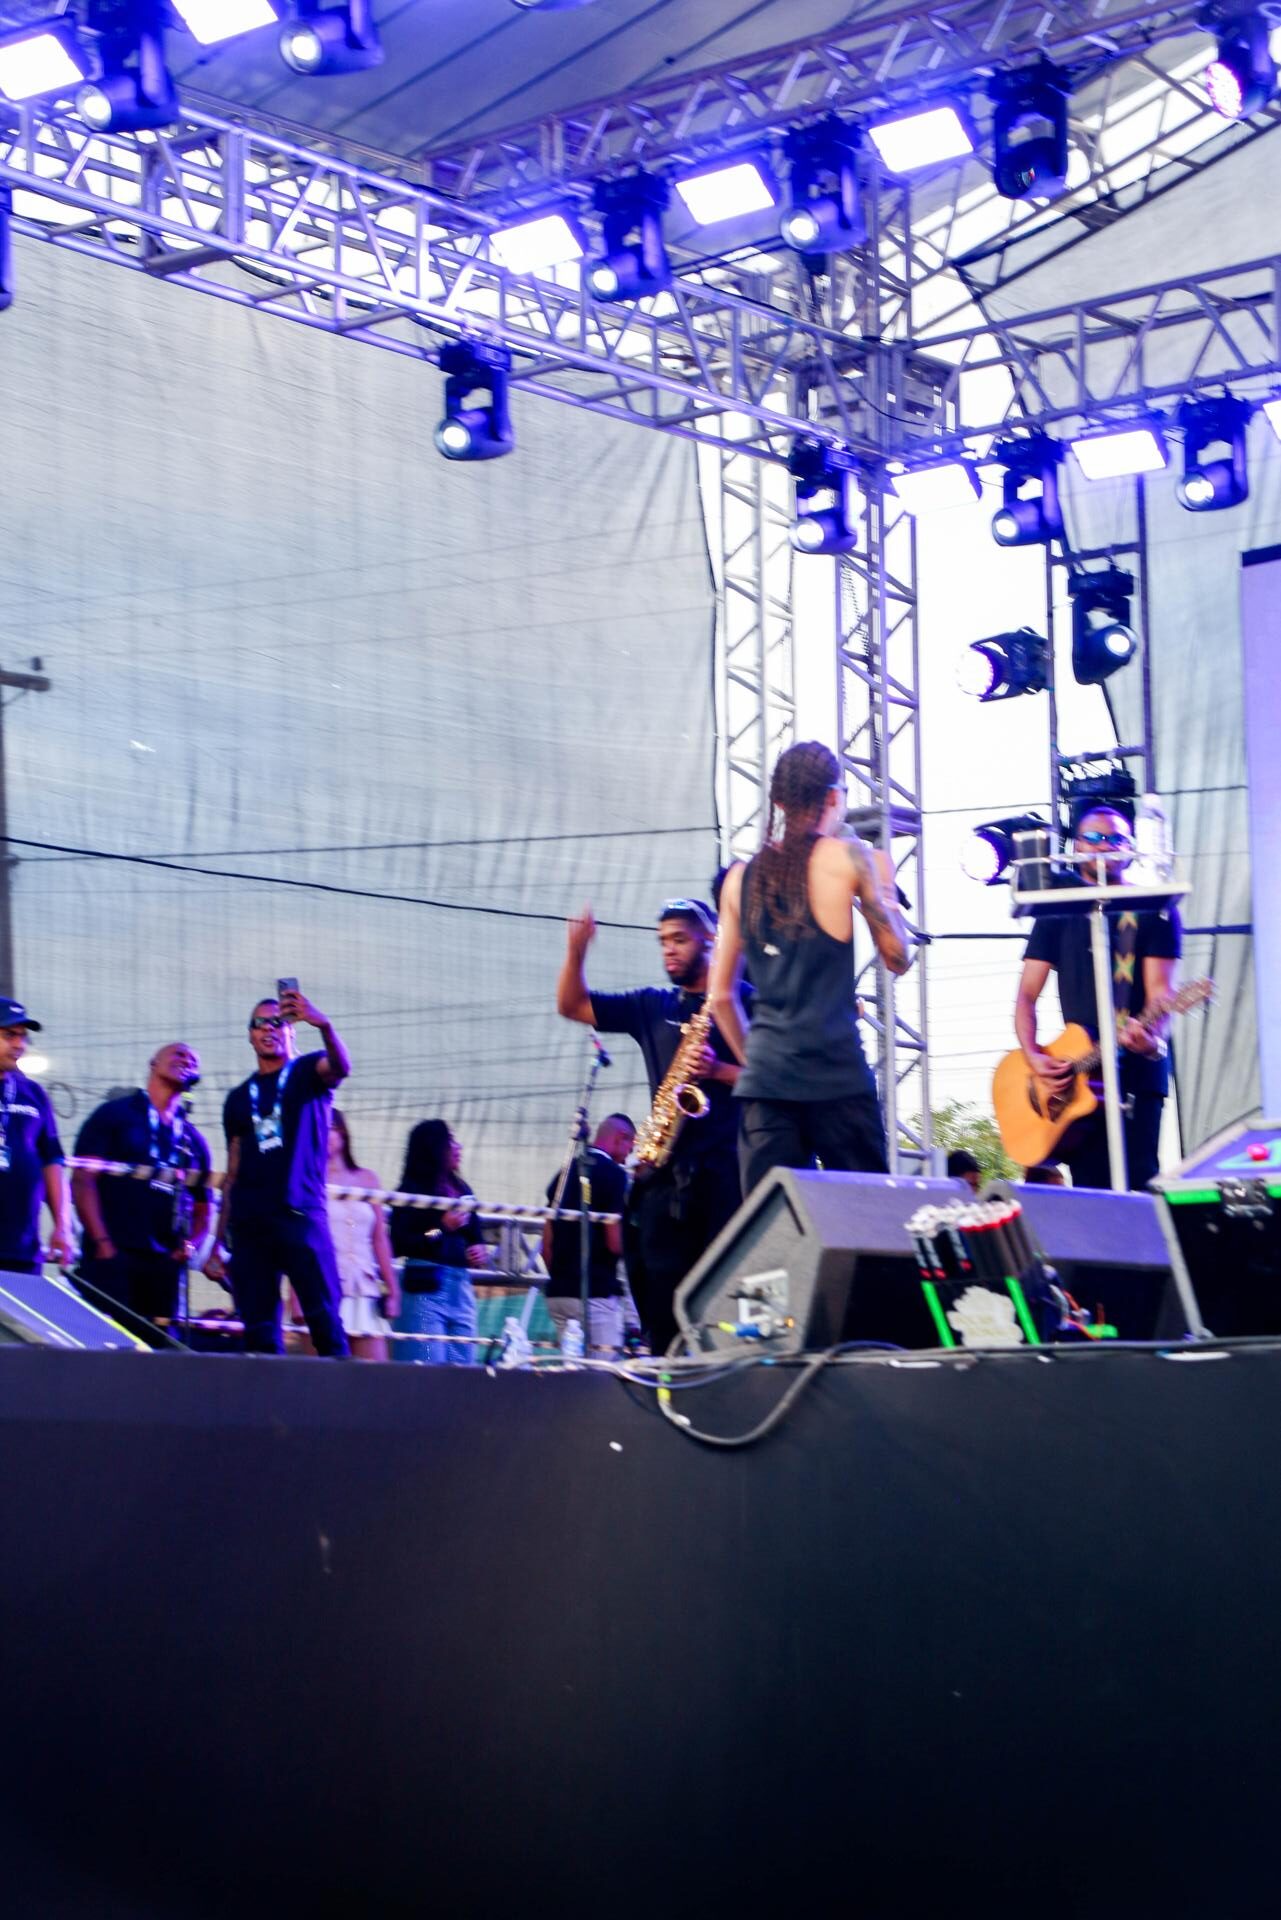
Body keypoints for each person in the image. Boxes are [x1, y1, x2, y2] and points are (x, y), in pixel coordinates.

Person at [710, 740, 913, 1196]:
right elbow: (897, 959)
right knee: (867, 1221)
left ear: (779, 802)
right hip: (837, 1078)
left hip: (766, 1087)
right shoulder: (852, 859)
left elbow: (720, 996)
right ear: (834, 797)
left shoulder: (739, 879)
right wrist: (883, 891)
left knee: (772, 1228)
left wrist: (759, 1064)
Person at [558, 896, 749, 1355]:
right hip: (665, 1178)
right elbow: (572, 1005)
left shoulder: (743, 1001)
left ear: (711, 939)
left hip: (728, 1178)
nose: (669, 949)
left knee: (726, 1304)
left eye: (680, 939)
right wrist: (576, 952)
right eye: (663, 941)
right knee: (663, 1308)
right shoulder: (651, 1004)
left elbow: (779, 1077)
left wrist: (719, 1070)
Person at [1014, 803, 1180, 1192]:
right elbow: (1025, 997)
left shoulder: (1153, 908)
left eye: (1116, 839)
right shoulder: (1056, 912)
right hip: (1078, 1079)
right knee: (1090, 1190)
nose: (1105, 846)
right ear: (1076, 846)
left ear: (1131, 848)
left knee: (1138, 1186)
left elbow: (1161, 996)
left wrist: (1151, 1040)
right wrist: (1033, 1056)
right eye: (1094, 838)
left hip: (1136, 1074)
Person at [207, 988, 351, 1357]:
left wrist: (324, 1025)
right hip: (250, 1225)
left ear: (291, 1030)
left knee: (324, 1322)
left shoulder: (307, 1071)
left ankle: (342, 1394)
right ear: (250, 1035)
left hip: (299, 1215)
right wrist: (218, 1240)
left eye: (277, 1022)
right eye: (259, 1023)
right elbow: (232, 1172)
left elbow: (340, 1068)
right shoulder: (238, 1098)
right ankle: (269, 1397)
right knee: (259, 1332)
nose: (268, 1028)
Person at [73, 1043, 212, 1324]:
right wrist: (102, 1243)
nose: (187, 1060)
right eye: (179, 1054)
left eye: (193, 1060)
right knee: (105, 1339)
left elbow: (203, 1208)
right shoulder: (114, 1114)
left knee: (157, 1344)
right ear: (153, 1063)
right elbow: (82, 1180)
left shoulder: (193, 1139)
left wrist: (189, 1247)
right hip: (113, 1254)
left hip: (164, 1265)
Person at [389, 1120, 487, 1365]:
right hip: (425, 1287)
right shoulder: (411, 1190)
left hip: (461, 1288)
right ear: (434, 1147)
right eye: (451, 1141)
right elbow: (399, 1244)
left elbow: (475, 1236)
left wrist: (478, 1250)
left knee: (462, 1368)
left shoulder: (462, 1189)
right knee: (428, 1366)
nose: (458, 1147)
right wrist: (440, 1229)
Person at [541, 1112, 634, 1354]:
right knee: (602, 1369)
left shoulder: (563, 1174)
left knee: (572, 1369)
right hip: (595, 1294)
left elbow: (546, 1243)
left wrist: (562, 1275)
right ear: (620, 1137)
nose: (629, 1154)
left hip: (559, 1294)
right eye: (630, 1146)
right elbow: (614, 1242)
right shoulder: (615, 1175)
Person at [0, 997, 72, 1273]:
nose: (19, 1045)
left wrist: (62, 1226)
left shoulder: (33, 1092)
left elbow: (52, 1161)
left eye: (23, 1037)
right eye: (10, 1035)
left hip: (22, 1249)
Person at [326, 1110, 400, 1362]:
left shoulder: (368, 1179)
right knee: (326, 1375)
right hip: (324, 1288)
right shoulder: (309, 1180)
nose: (325, 1135)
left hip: (364, 1288)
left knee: (375, 1375)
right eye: (318, 1129)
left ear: (343, 1133)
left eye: (330, 1128)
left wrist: (393, 1289)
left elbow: (380, 1238)